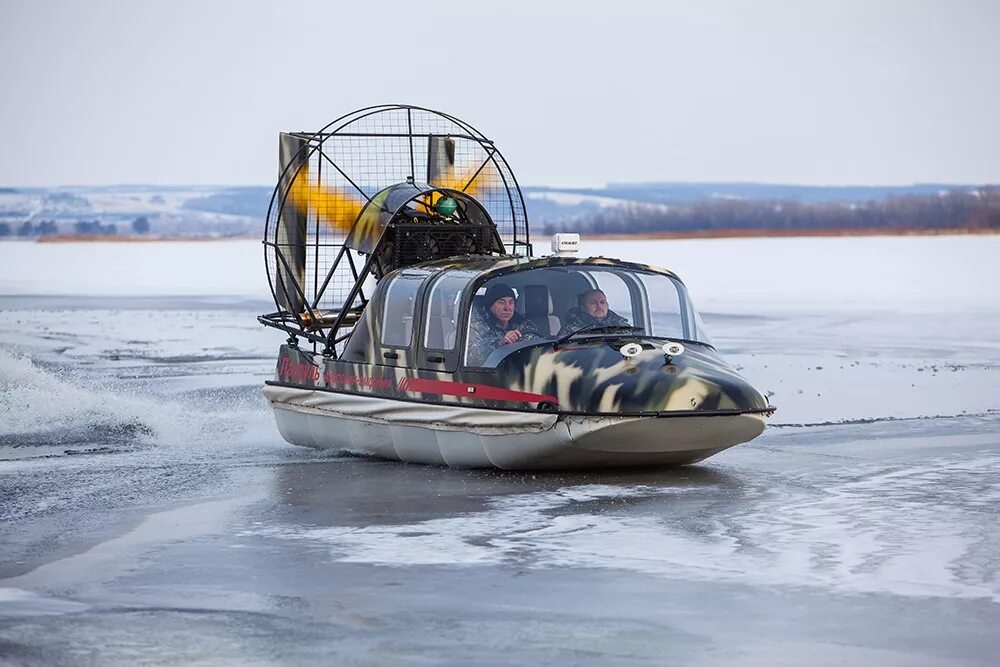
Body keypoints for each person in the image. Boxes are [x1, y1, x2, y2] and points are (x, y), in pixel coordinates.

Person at [467, 283, 540, 365]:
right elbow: (471, 359)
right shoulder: (477, 327)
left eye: (511, 302)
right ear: (490, 306)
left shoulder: (524, 324)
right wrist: (500, 343)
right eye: (501, 302)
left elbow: (539, 349)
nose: (507, 308)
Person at [557, 288, 630, 336]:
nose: (599, 306)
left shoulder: (622, 326)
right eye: (593, 303)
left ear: (607, 305)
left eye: (602, 302)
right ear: (583, 307)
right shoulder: (569, 330)